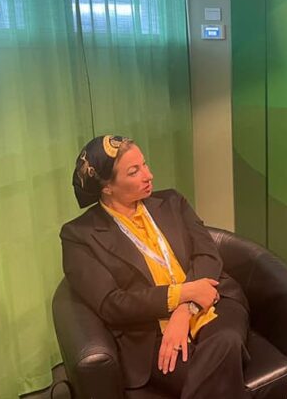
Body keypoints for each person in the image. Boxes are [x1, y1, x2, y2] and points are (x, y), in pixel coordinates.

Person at [61, 135, 250, 399]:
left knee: (226, 340)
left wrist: (184, 309)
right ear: (107, 187)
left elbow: (207, 254)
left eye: (145, 164)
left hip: (212, 302)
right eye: (134, 171)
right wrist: (180, 295)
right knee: (223, 357)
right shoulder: (80, 235)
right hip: (151, 331)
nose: (149, 175)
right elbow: (112, 304)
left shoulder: (172, 202)